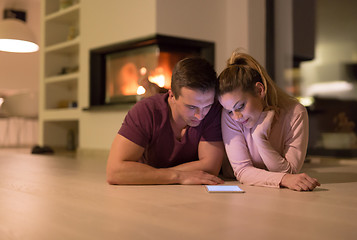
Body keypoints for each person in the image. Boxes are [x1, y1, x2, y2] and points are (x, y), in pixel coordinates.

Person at [106, 57, 225, 185]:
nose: (200, 115)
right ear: (172, 95)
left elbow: (210, 167)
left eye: (207, 106)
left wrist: (149, 174)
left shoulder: (214, 110)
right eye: (191, 107)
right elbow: (115, 172)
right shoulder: (146, 111)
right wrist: (178, 176)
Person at [217, 51, 320, 191]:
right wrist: (283, 179)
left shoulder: (295, 113)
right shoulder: (229, 116)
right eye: (229, 110)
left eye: (240, 106)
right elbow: (242, 171)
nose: (236, 117)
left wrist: (260, 139)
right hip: (235, 185)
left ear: (260, 90)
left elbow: (291, 172)